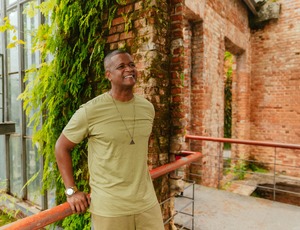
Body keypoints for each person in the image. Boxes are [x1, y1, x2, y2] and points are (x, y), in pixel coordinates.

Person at [55, 49, 165, 230]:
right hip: (110, 209)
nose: (129, 69)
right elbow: (61, 147)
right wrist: (71, 191)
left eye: (131, 65)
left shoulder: (147, 108)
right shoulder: (91, 110)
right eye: (121, 66)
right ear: (109, 75)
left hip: (147, 204)